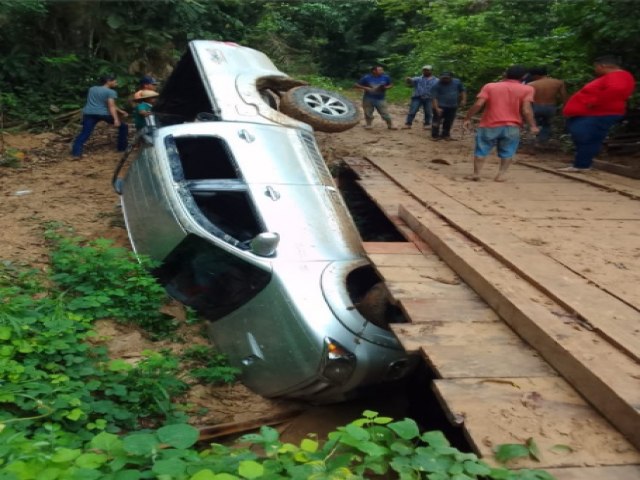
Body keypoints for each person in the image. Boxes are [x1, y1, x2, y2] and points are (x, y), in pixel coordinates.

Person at [462, 65, 539, 182]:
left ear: (505, 74)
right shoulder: (527, 89)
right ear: (523, 76)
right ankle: (501, 175)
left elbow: (478, 104)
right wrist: (532, 125)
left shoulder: (490, 86)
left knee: (481, 149)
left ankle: (476, 174)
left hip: (489, 124)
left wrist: (467, 118)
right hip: (512, 126)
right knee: (508, 151)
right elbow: (526, 110)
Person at [560, 55, 635, 172]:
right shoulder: (614, 76)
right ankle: (582, 164)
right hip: (593, 113)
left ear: (602, 66)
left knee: (586, 137)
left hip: (598, 113)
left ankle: (582, 164)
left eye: (596, 67)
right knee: (586, 137)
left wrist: (594, 102)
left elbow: (616, 90)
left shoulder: (618, 76)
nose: (595, 70)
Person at [71, 74, 129, 159]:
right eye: (115, 81)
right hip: (103, 113)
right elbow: (111, 106)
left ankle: (76, 153)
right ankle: (122, 148)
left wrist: (120, 111)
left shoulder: (92, 89)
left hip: (89, 113)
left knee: (85, 133)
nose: (116, 83)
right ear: (108, 81)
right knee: (123, 127)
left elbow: (104, 102)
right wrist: (116, 119)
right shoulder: (111, 92)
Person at [527, 67, 567, 143]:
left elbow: (528, 99)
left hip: (536, 106)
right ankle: (543, 141)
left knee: (533, 124)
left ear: (536, 75)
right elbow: (564, 96)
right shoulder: (558, 82)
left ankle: (532, 143)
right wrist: (564, 107)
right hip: (551, 107)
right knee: (546, 124)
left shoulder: (531, 84)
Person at [355, 65, 397, 130]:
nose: (382, 71)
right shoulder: (366, 78)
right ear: (374, 71)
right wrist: (365, 87)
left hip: (380, 98)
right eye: (380, 70)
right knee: (368, 112)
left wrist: (385, 87)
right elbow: (356, 85)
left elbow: (391, 84)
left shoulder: (386, 77)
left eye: (382, 70)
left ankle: (390, 125)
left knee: (384, 113)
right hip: (368, 98)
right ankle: (369, 124)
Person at [431, 71, 466, 141]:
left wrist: (463, 99)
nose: (445, 79)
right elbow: (434, 98)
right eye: (443, 78)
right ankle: (435, 135)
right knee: (436, 121)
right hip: (440, 106)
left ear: (451, 78)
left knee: (449, 121)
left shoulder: (457, 82)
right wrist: (437, 108)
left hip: (452, 106)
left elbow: (463, 90)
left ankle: (445, 135)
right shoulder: (436, 85)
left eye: (447, 78)